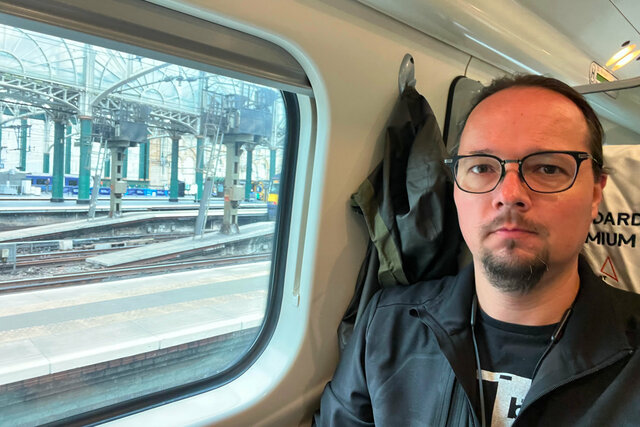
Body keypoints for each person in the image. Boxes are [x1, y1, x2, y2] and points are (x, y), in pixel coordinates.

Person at [314, 75, 640, 426]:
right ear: (456, 189)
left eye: (548, 168)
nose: (509, 193)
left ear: (595, 193)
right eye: (482, 167)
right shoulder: (386, 325)